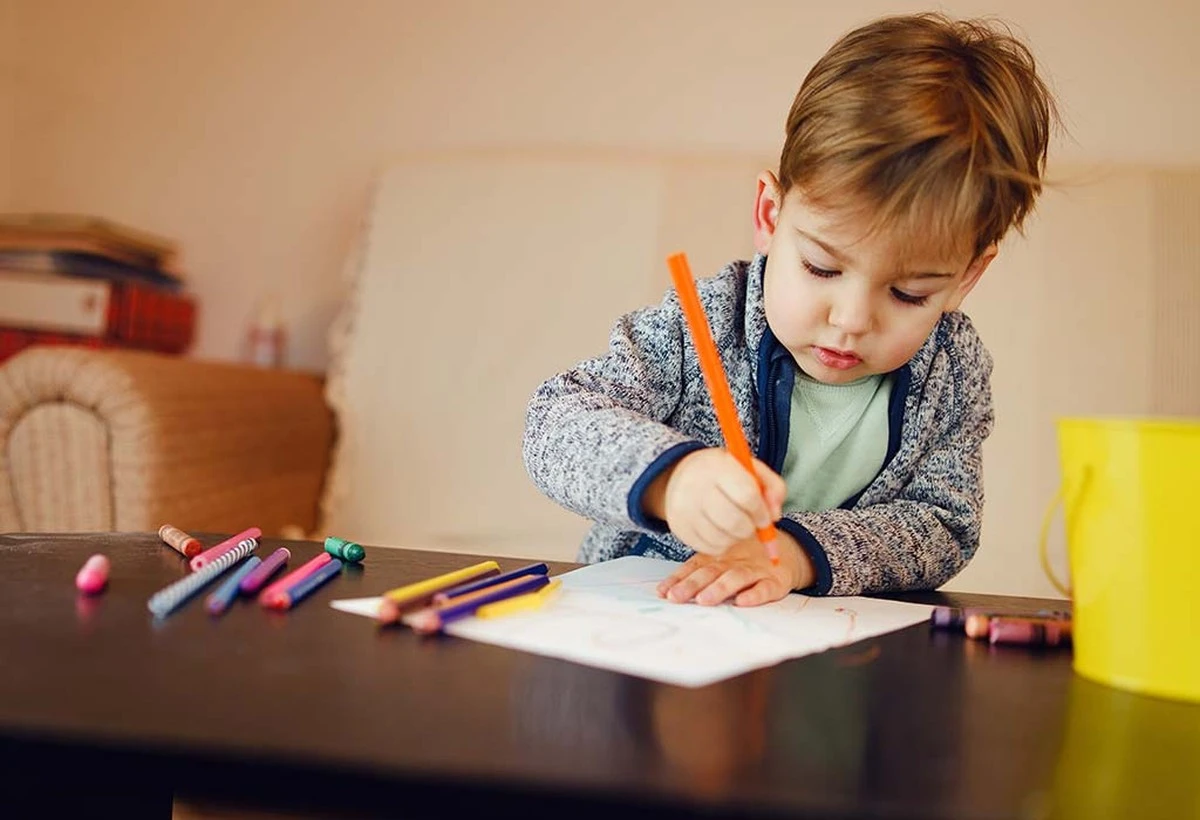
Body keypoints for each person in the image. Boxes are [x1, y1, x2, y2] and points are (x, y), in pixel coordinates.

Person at [523, 12, 1058, 606]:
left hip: (824, 641)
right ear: (769, 215)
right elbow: (555, 424)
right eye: (822, 268)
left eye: (908, 294)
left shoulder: (953, 372)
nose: (851, 320)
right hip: (645, 618)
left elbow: (944, 525)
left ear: (968, 277)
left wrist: (795, 553)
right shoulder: (699, 326)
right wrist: (671, 480)